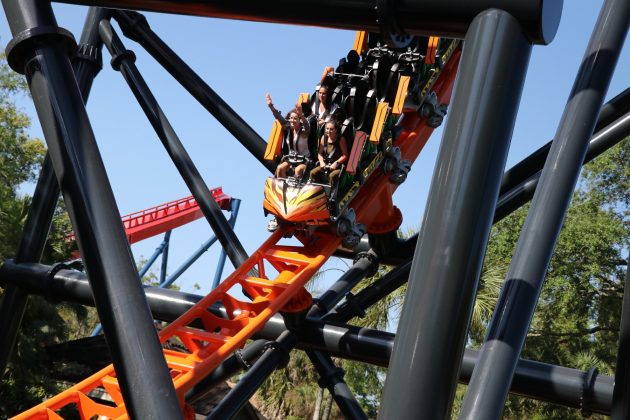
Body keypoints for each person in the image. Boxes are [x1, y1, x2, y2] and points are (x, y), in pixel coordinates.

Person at [266, 93, 311, 180]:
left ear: (299, 120)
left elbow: (307, 127)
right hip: (291, 159)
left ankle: (296, 186)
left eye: (295, 119)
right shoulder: (289, 128)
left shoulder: (303, 132)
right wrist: (271, 106)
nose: (292, 120)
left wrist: (301, 115)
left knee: (297, 170)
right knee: (280, 168)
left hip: (304, 160)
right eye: (291, 118)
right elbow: (278, 117)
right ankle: (281, 185)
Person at [309, 120, 349, 187]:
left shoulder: (341, 139)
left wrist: (336, 163)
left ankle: (332, 191)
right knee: (313, 173)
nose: (328, 131)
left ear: (336, 130)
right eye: (327, 129)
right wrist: (321, 162)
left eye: (331, 129)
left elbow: (345, 155)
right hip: (326, 164)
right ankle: (317, 189)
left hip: (338, 166)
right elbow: (320, 153)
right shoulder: (324, 138)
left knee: (332, 176)